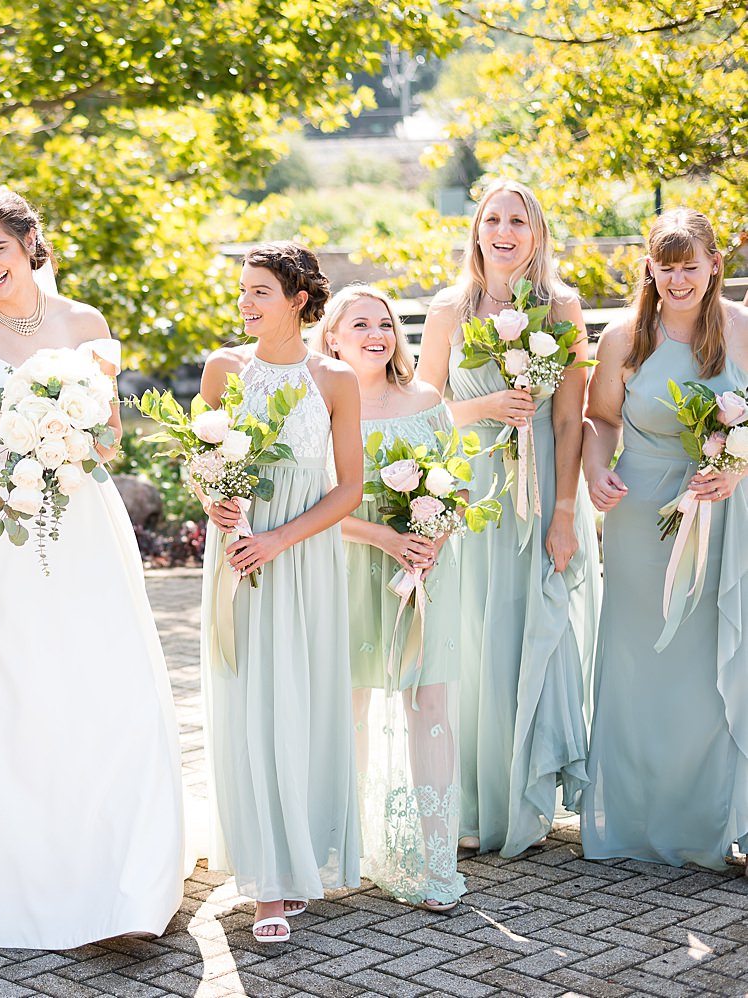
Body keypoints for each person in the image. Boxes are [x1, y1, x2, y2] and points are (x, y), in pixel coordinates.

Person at [0, 188, 184, 949]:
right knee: (18, 688)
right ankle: (29, 876)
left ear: (30, 242)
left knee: (104, 678)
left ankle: (122, 869)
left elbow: (110, 443)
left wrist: (69, 432)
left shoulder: (86, 325)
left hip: (84, 527)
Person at [414, 179, 599, 857]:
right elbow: (423, 410)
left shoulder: (563, 307)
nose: (504, 230)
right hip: (470, 493)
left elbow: (569, 419)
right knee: (472, 637)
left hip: (540, 488)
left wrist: (562, 514)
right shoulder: (448, 311)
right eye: (493, 218)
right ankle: (471, 799)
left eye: (517, 219)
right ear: (477, 231)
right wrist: (486, 410)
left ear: (536, 232)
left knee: (530, 632)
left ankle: (525, 792)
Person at [197, 243, 362, 944]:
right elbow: (201, 466)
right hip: (238, 552)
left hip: (301, 556)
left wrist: (280, 539)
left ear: (299, 299)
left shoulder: (336, 379)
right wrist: (213, 504)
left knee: (300, 700)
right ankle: (265, 879)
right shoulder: (224, 368)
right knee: (248, 702)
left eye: (261, 291)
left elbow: (349, 487)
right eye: (243, 291)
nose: (247, 303)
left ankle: (299, 860)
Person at [581, 209, 748, 866]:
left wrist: (736, 466)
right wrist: (595, 471)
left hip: (723, 511)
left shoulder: (739, 327)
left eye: (690, 266)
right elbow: (598, 419)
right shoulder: (625, 337)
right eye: (666, 267)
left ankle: (719, 818)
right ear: (650, 268)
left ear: (713, 265)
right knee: (641, 662)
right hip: (639, 514)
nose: (678, 279)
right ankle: (637, 821)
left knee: (713, 666)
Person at [315, 285, 465, 911]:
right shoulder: (321, 403)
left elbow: (455, 480)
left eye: (385, 323)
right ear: (332, 338)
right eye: (359, 325)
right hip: (350, 563)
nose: (376, 334)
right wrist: (382, 535)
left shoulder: (427, 399)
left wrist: (435, 531)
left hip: (425, 572)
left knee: (428, 705)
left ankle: (431, 861)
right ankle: (340, 853)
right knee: (347, 707)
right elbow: (312, 502)